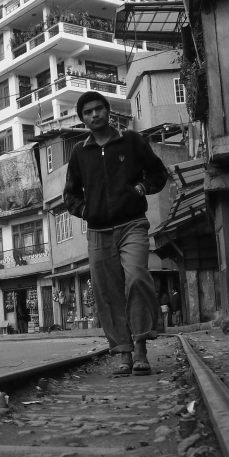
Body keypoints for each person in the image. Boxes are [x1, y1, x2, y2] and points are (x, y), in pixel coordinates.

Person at [63, 90, 168, 375]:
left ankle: (141, 347)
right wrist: (86, 210)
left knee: (136, 278)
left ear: (109, 111)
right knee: (107, 293)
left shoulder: (131, 140)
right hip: (98, 232)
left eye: (99, 109)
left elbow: (159, 173)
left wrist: (142, 188)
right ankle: (123, 353)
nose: (94, 115)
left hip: (132, 223)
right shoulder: (79, 153)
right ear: (82, 118)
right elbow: (70, 194)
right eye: (88, 112)